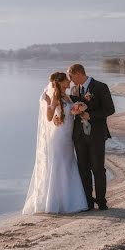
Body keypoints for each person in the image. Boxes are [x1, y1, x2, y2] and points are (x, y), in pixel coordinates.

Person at [22, 72, 89, 214]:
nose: (69, 81)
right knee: (59, 165)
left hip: (68, 137)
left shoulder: (67, 96)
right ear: (59, 82)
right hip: (59, 137)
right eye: (66, 80)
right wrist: (48, 104)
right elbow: (49, 117)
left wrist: (78, 109)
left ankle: (68, 200)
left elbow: (67, 112)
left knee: (68, 165)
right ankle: (55, 203)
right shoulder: (56, 97)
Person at [67, 63, 115, 210]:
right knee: (83, 169)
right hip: (79, 135)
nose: (69, 79)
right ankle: (87, 202)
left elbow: (110, 109)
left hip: (96, 134)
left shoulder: (100, 87)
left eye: (70, 76)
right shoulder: (75, 89)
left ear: (78, 73)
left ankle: (101, 202)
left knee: (97, 168)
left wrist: (91, 115)